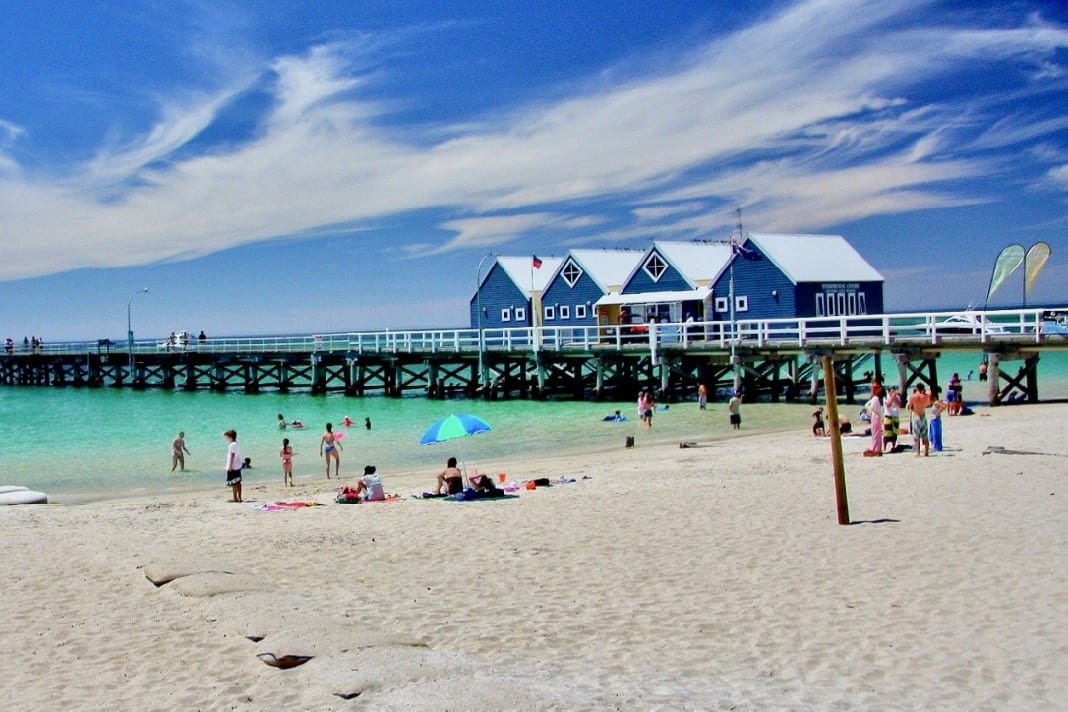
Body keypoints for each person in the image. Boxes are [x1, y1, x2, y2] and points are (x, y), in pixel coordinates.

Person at [907, 384, 930, 457]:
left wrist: (913, 408)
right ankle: (926, 452)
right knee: (925, 436)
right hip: (923, 416)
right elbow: (928, 404)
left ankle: (918, 452)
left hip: (916, 416)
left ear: (916, 388)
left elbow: (908, 406)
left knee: (916, 436)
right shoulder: (926, 396)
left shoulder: (913, 396)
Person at [223, 429, 242, 502]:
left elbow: (232, 455)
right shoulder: (236, 443)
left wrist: (230, 466)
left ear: (230, 437)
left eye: (227, 437)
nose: (226, 439)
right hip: (238, 465)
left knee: (234, 482)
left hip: (233, 466)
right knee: (238, 482)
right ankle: (239, 497)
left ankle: (235, 497)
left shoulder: (231, 445)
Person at [863, 391, 884, 456]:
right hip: (876, 416)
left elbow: (868, 406)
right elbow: (870, 407)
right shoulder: (876, 398)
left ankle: (877, 448)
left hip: (875, 416)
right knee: (876, 433)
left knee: (876, 433)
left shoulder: (875, 398)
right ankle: (877, 449)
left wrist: (871, 413)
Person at [882, 386, 902, 452]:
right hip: (888, 416)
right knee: (887, 433)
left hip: (895, 416)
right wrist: (893, 397)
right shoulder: (885, 397)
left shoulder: (897, 397)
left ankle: (893, 446)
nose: (893, 392)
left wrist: (895, 397)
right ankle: (884, 447)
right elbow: (888, 405)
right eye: (892, 391)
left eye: (894, 391)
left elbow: (899, 405)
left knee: (895, 433)